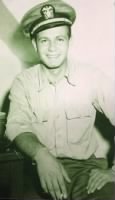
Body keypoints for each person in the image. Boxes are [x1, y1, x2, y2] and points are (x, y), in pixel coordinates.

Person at [5, 0, 115, 200]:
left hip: (85, 169)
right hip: (39, 168)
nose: (52, 48)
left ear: (70, 41)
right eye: (44, 40)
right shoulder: (23, 82)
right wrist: (41, 155)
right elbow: (15, 126)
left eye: (60, 39)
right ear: (34, 44)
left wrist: (113, 172)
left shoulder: (92, 77)